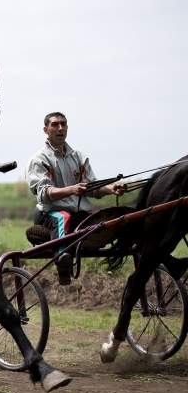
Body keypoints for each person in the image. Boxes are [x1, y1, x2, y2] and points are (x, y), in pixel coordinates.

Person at [25, 112, 125, 285]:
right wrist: (72, 189)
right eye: (55, 124)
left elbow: (92, 187)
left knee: (106, 217)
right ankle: (62, 261)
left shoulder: (79, 157)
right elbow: (44, 193)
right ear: (45, 130)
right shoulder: (39, 160)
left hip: (79, 213)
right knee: (64, 218)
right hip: (50, 214)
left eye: (63, 124)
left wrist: (111, 189)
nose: (60, 128)